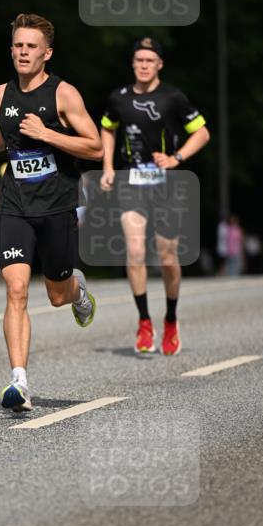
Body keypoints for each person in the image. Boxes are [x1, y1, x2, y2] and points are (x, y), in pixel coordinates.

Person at [0, 13, 103, 412]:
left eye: (32, 46)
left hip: (57, 205)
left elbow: (95, 146)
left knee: (57, 295)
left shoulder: (64, 95)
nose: (24, 52)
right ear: (11, 50)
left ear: (47, 53)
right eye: (18, 46)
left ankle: (78, 290)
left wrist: (48, 134)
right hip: (14, 205)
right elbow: (6, 134)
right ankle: (19, 383)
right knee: (15, 290)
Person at [100, 37, 210, 355]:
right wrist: (107, 165)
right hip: (131, 182)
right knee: (134, 251)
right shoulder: (118, 98)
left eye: (150, 60)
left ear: (159, 64)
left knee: (168, 260)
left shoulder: (173, 97)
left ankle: (171, 320)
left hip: (166, 185)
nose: (144, 65)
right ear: (132, 64)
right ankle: (144, 321)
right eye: (139, 60)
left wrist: (177, 159)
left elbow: (202, 132)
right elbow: (107, 127)